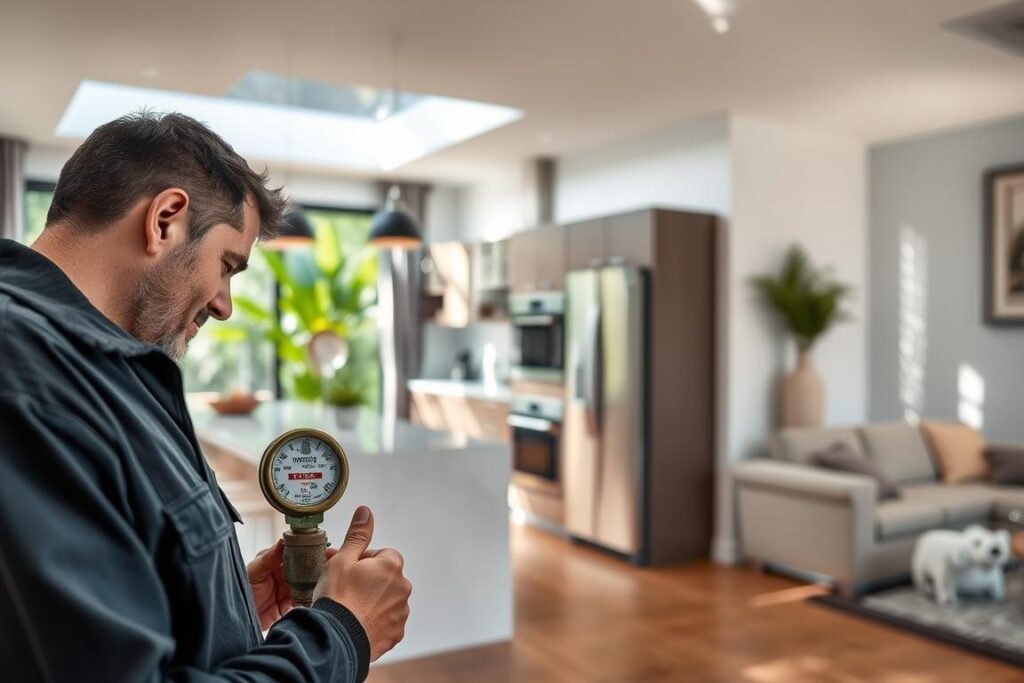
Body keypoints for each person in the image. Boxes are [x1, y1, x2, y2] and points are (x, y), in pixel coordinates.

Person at [0, 112, 411, 681]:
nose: (224, 305)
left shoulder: (107, 371)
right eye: (227, 266)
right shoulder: (28, 373)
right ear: (165, 219)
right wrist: (341, 634)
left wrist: (219, 606)